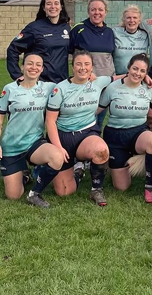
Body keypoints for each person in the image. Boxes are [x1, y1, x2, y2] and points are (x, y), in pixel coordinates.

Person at [0, 54, 65, 208]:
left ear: (42, 69)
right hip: (11, 147)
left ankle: (34, 194)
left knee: (57, 157)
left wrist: (90, 76)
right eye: (30, 64)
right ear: (22, 66)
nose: (34, 67)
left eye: (38, 65)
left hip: (34, 143)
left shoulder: (49, 87)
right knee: (13, 196)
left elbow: (71, 83)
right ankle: (24, 176)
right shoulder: (9, 89)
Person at [45, 51, 115, 206]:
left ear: (92, 68)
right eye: (78, 64)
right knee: (64, 191)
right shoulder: (60, 88)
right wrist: (58, 147)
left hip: (86, 133)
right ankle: (76, 174)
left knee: (101, 150)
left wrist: (143, 76)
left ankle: (96, 188)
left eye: (86, 64)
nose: (82, 68)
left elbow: (121, 77)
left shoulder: (98, 82)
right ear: (73, 67)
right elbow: (50, 121)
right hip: (63, 136)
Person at [98, 53, 152, 203]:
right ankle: (125, 162)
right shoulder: (113, 87)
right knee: (122, 187)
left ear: (146, 74)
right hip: (115, 136)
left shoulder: (148, 88)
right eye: (135, 68)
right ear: (128, 68)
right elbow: (98, 109)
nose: (138, 73)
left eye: (142, 71)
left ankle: (149, 187)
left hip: (138, 133)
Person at [7, 0, 72, 83]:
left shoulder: (66, 27)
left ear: (61, 7)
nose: (53, 7)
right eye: (49, 4)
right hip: (39, 83)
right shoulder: (34, 28)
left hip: (61, 83)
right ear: (44, 8)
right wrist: (17, 75)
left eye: (56, 3)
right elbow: (12, 49)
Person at [69, 0, 115, 78]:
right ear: (88, 12)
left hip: (107, 81)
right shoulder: (78, 29)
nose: (97, 12)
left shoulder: (110, 32)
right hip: (85, 80)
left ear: (106, 12)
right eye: (93, 9)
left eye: (100, 10)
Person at [112, 5, 150, 76]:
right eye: (128, 18)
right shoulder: (115, 32)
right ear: (124, 20)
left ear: (139, 21)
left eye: (135, 18)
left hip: (138, 76)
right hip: (118, 76)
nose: (132, 20)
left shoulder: (145, 34)